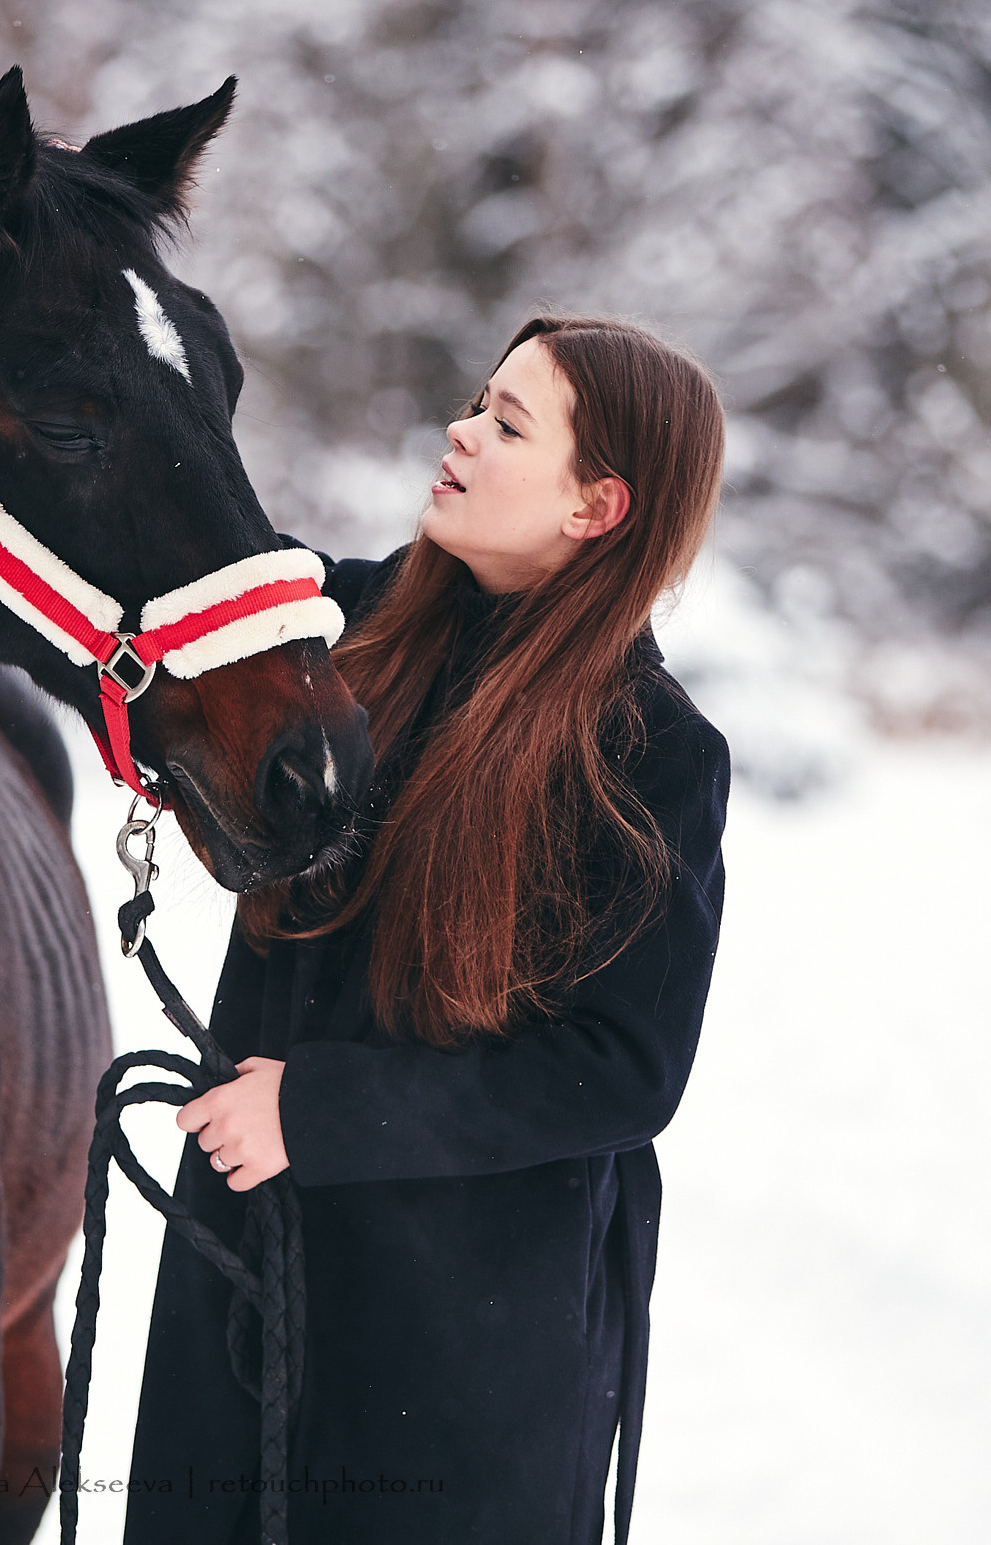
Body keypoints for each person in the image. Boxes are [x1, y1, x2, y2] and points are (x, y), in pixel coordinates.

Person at [122, 314, 732, 1545]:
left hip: (461, 1343)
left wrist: (322, 1111)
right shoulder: (329, 636)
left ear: (596, 506)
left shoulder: (649, 752)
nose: (459, 430)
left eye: (507, 423)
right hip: (245, 1273)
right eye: (476, 401)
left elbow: (621, 1069)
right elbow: (131, 564)